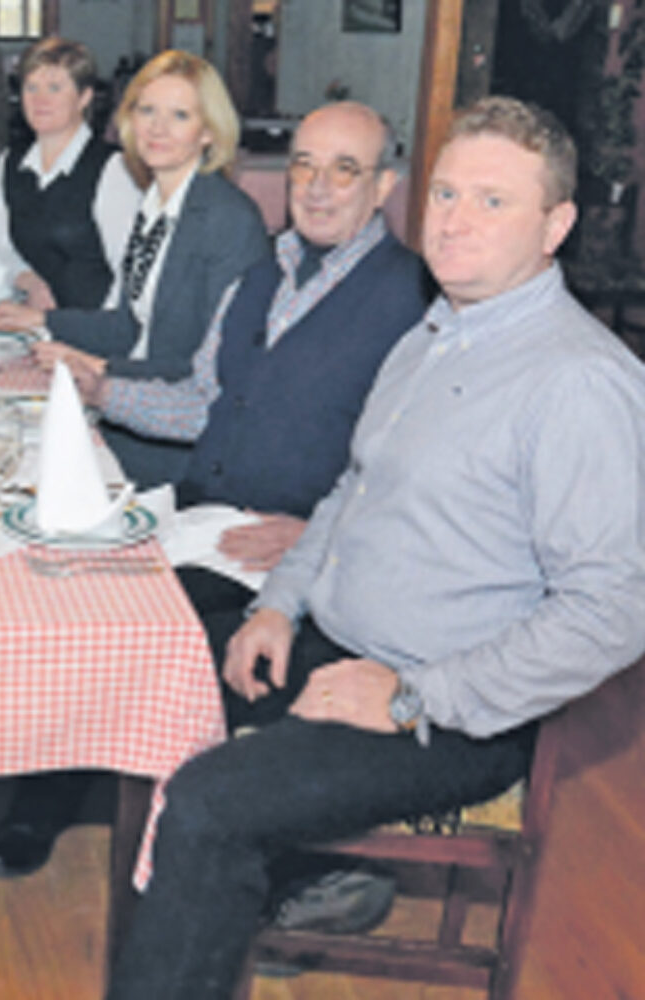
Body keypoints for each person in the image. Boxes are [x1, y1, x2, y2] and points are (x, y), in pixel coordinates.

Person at [107, 96, 645, 999]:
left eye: (492, 201)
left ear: (555, 226)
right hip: (337, 643)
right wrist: (278, 604)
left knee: (208, 804)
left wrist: (409, 696)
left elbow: (614, 612)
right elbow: (350, 493)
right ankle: (211, 914)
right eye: (446, 193)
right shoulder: (434, 336)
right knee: (140, 662)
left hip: (452, 713)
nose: (455, 221)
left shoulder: (581, 382)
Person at [0, 101, 433, 884]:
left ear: (384, 185)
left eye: (345, 170)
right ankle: (62, 780)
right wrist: (100, 389)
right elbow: (200, 403)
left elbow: (417, 467)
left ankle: (117, 821)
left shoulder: (415, 302)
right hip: (200, 509)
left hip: (284, 545)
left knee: (129, 629)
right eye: (304, 165)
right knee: (64, 581)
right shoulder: (262, 276)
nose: (318, 187)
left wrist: (324, 534)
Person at [0, 48, 270, 488]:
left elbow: (210, 370)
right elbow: (128, 326)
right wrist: (45, 322)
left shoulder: (228, 220)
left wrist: (99, 366)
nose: (157, 128)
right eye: (147, 111)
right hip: (128, 408)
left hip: (180, 447)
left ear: (208, 131)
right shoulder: (155, 205)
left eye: (179, 115)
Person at [0, 36, 141, 314]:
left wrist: (82, 330)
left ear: (84, 97)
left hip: (94, 326)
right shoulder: (10, 163)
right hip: (32, 319)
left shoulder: (112, 169)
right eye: (31, 87)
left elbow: (131, 277)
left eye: (55, 88)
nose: (40, 100)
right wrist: (28, 280)